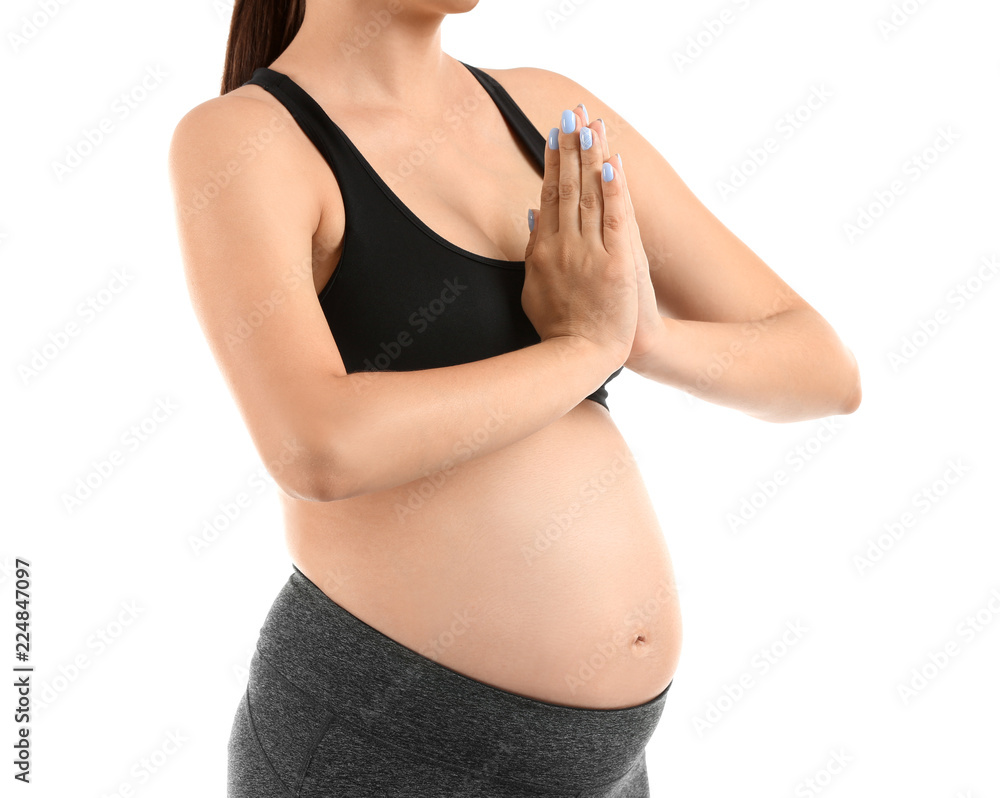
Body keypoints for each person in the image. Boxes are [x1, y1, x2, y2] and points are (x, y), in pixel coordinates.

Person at [168, 1, 861, 795]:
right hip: (389, 738)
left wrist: (646, 339)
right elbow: (316, 447)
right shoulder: (247, 141)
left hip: (606, 763)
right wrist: (583, 351)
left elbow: (825, 372)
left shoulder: (550, 116)